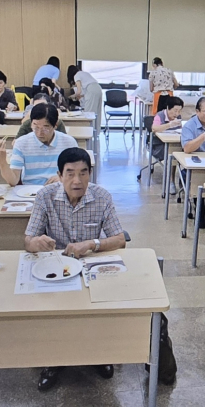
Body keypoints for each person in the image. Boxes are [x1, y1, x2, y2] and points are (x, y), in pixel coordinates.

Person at [24, 147, 126, 391]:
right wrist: (36, 242)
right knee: (50, 310)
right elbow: (28, 240)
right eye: (69, 173)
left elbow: (119, 239)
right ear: (59, 175)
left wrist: (92, 244)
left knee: (99, 306)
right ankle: (52, 360)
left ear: (91, 173)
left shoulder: (102, 196)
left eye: (83, 173)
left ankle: (97, 355)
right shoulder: (45, 196)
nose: (77, 180)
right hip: (54, 266)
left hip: (89, 263)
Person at [0, 103, 77, 186]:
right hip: (30, 191)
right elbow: (13, 181)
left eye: (45, 128)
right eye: (35, 127)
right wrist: (2, 161)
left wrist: (64, 178)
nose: (39, 133)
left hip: (59, 188)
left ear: (55, 125)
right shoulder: (21, 143)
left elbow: (79, 171)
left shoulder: (69, 142)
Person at [67, 64, 103, 129]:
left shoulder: (76, 75)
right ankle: (96, 132)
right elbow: (84, 93)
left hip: (91, 90)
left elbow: (79, 91)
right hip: (98, 89)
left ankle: (88, 132)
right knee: (96, 113)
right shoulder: (84, 73)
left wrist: (71, 96)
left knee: (89, 113)